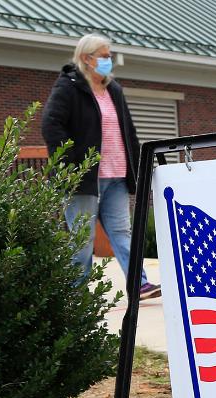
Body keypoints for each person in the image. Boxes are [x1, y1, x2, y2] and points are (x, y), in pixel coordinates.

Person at [42, 34, 160, 299]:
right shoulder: (69, 87)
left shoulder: (113, 90)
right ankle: (76, 295)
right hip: (84, 179)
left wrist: (139, 166)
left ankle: (139, 285)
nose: (109, 61)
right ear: (87, 58)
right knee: (82, 242)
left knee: (123, 233)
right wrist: (73, 164)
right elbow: (51, 125)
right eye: (104, 56)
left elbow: (128, 132)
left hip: (116, 176)